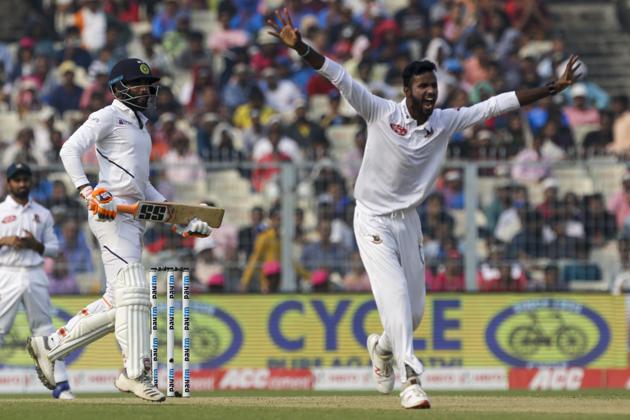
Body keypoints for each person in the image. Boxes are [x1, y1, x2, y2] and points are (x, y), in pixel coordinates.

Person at [268, 8, 582, 409]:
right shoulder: (379, 111)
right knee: (395, 296)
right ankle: (410, 379)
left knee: (412, 314)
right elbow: (339, 76)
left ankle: (381, 348)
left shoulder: (445, 121)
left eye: (433, 85)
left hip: (408, 222)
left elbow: (495, 105)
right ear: (406, 90)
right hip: (372, 219)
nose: (431, 92)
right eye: (422, 87)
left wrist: (552, 87)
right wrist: (302, 49)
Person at [26, 58, 212, 402]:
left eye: (148, 84)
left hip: (132, 218)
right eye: (138, 84)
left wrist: (183, 221)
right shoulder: (107, 116)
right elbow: (70, 149)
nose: (146, 89)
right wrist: (88, 191)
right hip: (109, 216)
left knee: (120, 301)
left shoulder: (142, 126)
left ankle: (50, 346)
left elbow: (143, 188)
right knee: (136, 289)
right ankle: (135, 373)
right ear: (118, 88)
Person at [0, 163, 73, 399]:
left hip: (34, 272)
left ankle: (61, 386)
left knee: (45, 330)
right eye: (16, 180)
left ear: (30, 181)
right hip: (7, 272)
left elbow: (53, 249)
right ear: (9, 183)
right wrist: (5, 240)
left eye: (25, 179)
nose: (21, 184)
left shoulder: (42, 213)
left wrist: (35, 245)